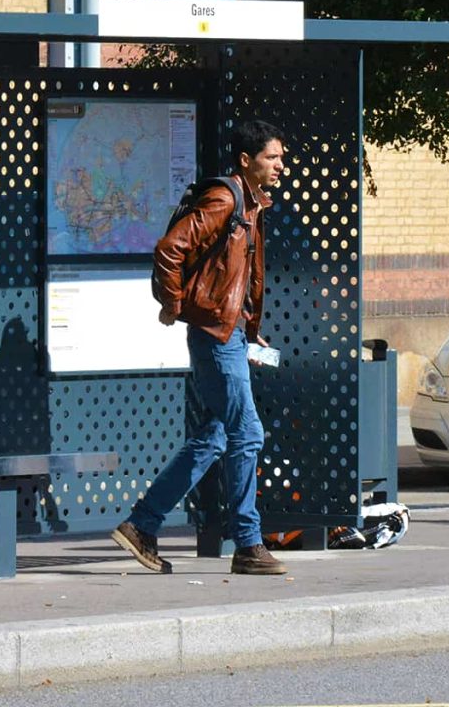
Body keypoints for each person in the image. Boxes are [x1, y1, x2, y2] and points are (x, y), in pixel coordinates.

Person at [111, 119, 288, 576]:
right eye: (272, 158)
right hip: (214, 336)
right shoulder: (225, 198)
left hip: (228, 334)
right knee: (247, 433)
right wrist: (173, 304)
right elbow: (170, 249)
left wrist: (247, 325)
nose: (280, 167)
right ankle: (248, 544)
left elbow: (233, 277)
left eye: (281, 158)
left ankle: (141, 526)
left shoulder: (250, 204)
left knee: (215, 436)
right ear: (247, 160)